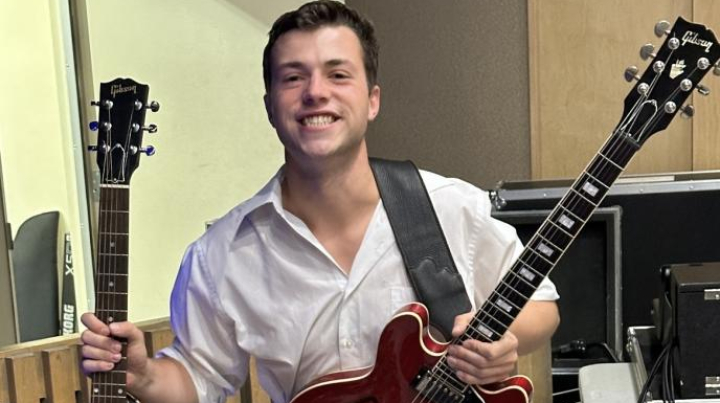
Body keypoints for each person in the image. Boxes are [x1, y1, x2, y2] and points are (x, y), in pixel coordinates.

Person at [81, 1, 560, 402]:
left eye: (338, 74)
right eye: (294, 78)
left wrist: (505, 340)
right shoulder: (222, 254)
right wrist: (144, 375)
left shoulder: (451, 207)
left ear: (372, 100)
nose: (316, 92)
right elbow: (199, 377)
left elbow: (541, 303)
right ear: (270, 106)